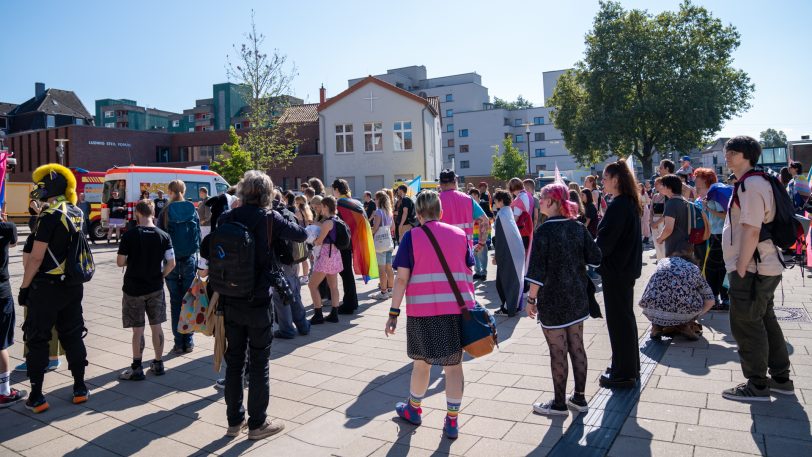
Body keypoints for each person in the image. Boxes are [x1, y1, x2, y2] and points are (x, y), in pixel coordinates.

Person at [212, 170, 306, 439]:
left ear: (242, 191)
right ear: (266, 194)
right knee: (259, 362)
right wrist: (285, 210)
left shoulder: (227, 217)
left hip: (230, 299)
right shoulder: (269, 218)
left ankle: (233, 422)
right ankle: (257, 424)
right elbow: (300, 234)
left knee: (235, 361)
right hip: (258, 299)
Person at [385, 190, 474, 440]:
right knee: (454, 368)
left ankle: (413, 410)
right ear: (441, 212)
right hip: (455, 313)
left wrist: (393, 313)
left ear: (418, 214)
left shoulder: (411, 238)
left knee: (421, 365)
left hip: (422, 313)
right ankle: (452, 421)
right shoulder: (459, 235)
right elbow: (469, 271)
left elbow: (401, 279)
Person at [721, 136, 793, 401]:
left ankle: (757, 385)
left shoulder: (750, 184)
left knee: (747, 323)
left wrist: (740, 267)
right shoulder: (754, 181)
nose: (727, 155)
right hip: (763, 264)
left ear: (747, 156)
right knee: (765, 318)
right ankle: (780, 378)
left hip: (753, 266)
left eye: (732, 151)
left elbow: (751, 229)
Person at [18, 164, 89, 413]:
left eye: (41, 184)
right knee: (73, 334)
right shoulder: (77, 211)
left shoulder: (49, 216)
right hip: (72, 285)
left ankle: (36, 397)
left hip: (46, 287)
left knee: (37, 338)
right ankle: (80, 388)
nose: (38, 188)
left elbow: (35, 258)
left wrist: (24, 288)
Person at [526, 183, 601, 415]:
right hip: (577, 297)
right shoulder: (577, 227)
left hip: (553, 300)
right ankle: (579, 399)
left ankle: (559, 404)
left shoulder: (544, 231)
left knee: (558, 351)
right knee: (577, 347)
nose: (539, 200)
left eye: (542, 197)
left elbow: (537, 272)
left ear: (552, 201)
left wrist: (531, 300)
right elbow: (596, 258)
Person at [596, 159, 643, 389]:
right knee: (625, 319)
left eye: (604, 178)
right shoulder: (628, 202)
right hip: (624, 269)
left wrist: (589, 250)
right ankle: (628, 365)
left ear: (616, 180)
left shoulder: (619, 205)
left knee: (619, 321)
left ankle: (624, 373)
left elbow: (604, 243)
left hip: (617, 270)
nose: (602, 182)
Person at [117, 200, 174, 381]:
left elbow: (120, 261)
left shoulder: (129, 235)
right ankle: (158, 364)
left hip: (133, 288)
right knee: (157, 327)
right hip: (155, 287)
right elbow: (171, 263)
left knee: (138, 330)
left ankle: (137, 367)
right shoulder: (164, 235)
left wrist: (132, 261)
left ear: (137, 214)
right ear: (153, 214)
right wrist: (161, 276)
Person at [157, 180, 201, 355]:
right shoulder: (192, 209)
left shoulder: (165, 211)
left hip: (171, 261)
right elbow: (197, 233)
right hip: (189, 259)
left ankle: (178, 343)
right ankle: (189, 341)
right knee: (188, 301)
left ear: (169, 191)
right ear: (183, 190)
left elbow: (160, 237)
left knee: (175, 302)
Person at [639, 247, 715, 340]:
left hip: (650, 309)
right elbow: (710, 301)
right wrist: (697, 315)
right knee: (699, 294)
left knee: (659, 294)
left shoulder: (662, 262)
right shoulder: (694, 269)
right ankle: (685, 325)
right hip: (684, 313)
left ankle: (656, 327)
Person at [331, 179, 377, 315]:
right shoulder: (355, 202)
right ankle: (352, 301)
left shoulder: (339, 203)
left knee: (345, 273)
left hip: (344, 243)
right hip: (354, 241)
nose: (333, 192)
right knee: (347, 273)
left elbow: (338, 223)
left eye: (333, 189)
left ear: (337, 190)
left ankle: (349, 303)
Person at [694, 168, 729, 310]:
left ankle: (718, 298)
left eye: (697, 177)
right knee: (716, 267)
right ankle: (720, 297)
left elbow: (725, 214)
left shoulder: (715, 193)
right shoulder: (711, 192)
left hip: (720, 234)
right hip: (715, 234)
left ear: (705, 179)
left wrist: (708, 209)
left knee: (714, 267)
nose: (695, 178)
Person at [0, 214, 25, 407]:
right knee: (1, 344)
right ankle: (4, 391)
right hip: (1, 292)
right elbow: (13, 244)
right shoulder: (8, 227)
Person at [308, 196, 343, 324]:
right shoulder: (337, 219)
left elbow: (319, 241)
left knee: (312, 285)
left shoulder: (327, 223)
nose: (320, 209)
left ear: (326, 207)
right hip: (335, 255)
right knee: (334, 286)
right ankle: (334, 313)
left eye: (322, 206)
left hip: (325, 255)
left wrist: (312, 241)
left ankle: (318, 314)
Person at [491, 190, 525, 316]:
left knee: (504, 282)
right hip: (516, 251)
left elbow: (500, 238)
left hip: (508, 253)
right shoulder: (508, 212)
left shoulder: (502, 214)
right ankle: (512, 306)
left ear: (500, 201)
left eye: (495, 200)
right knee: (513, 280)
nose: (494, 202)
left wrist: (496, 256)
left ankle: (508, 308)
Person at [656, 174, 691, 258]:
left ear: (669, 187)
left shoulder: (671, 203)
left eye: (663, 185)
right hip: (687, 245)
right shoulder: (685, 201)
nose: (660, 187)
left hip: (675, 248)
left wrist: (660, 238)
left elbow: (668, 228)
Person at [370, 191, 395, 300]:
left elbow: (375, 228)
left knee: (381, 269)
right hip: (388, 242)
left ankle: (383, 292)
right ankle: (391, 290)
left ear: (379, 200)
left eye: (375, 199)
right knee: (389, 267)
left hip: (380, 244)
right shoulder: (389, 211)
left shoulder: (378, 212)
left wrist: (369, 232)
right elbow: (392, 227)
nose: (374, 200)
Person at [468, 188, 491, 281]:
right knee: (475, 254)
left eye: (475, 196)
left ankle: (484, 272)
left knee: (483, 254)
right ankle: (477, 271)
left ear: (478, 196)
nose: (473, 198)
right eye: (471, 196)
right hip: (474, 233)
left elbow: (488, 217)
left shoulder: (484, 204)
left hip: (483, 233)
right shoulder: (469, 206)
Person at [293, 195, 313, 284]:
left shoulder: (298, 212)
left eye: (296, 202)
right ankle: (306, 276)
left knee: (301, 258)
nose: (295, 204)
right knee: (306, 258)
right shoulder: (308, 210)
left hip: (300, 236)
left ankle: (302, 277)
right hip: (308, 236)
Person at [650, 178, 667, 261]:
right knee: (656, 243)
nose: (654, 185)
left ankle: (663, 261)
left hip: (662, 221)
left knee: (662, 242)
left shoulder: (666, 197)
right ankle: (659, 260)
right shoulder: (655, 196)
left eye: (656, 184)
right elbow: (651, 210)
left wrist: (656, 223)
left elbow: (666, 213)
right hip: (654, 220)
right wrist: (651, 221)